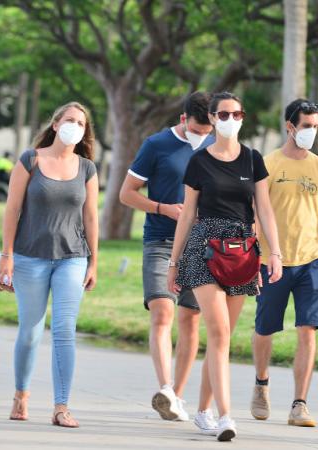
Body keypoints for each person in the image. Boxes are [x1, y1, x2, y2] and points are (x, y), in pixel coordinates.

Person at [167, 91, 283, 442]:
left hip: (242, 251)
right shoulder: (199, 161)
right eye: (224, 114)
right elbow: (188, 212)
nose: (231, 120)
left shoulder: (253, 159)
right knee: (218, 334)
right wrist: (174, 262)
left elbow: (264, 208)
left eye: (237, 114)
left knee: (224, 337)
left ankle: (203, 410)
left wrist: (274, 253)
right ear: (213, 118)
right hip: (204, 248)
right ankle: (225, 416)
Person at [0, 101, 99, 428]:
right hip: (29, 257)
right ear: (55, 124)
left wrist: (94, 261)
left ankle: (61, 406)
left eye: (81, 123)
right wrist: (7, 255)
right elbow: (12, 209)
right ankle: (21, 394)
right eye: (69, 120)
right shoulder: (31, 160)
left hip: (73, 258)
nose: (74, 127)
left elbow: (91, 216)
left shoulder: (87, 169)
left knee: (65, 329)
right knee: (30, 332)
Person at [119, 92, 214, 426]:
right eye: (198, 129)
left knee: (190, 320)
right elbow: (126, 193)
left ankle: (177, 396)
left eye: (208, 130)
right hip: (160, 240)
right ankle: (165, 388)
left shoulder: (217, 146)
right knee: (162, 312)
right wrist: (163, 209)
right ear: (183, 119)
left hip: (201, 247)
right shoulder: (156, 145)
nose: (202, 136)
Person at [249, 99, 318, 427]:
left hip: (310, 261)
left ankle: (300, 403)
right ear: (290, 126)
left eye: (315, 126)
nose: (310, 131)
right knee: (265, 328)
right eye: (305, 126)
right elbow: (257, 212)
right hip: (272, 262)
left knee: (308, 330)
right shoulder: (267, 164)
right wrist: (261, 253)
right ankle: (261, 383)